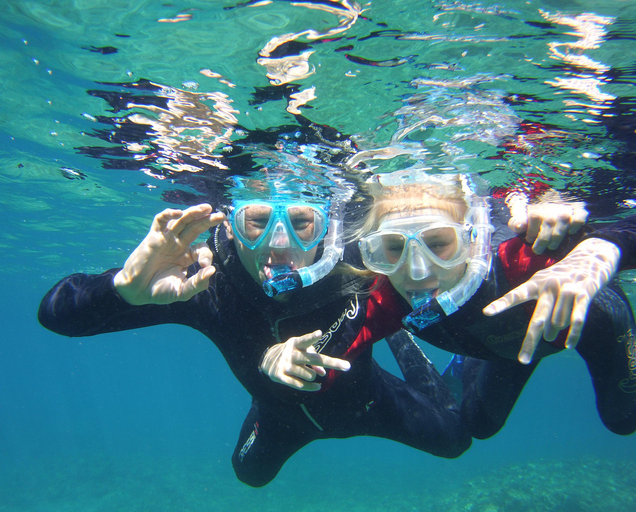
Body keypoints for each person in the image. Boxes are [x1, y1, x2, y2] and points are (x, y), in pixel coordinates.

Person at [38, 175, 470, 487]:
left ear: (327, 226)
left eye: (302, 223)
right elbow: (55, 314)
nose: (279, 245)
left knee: (456, 438)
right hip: (280, 418)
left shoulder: (357, 265)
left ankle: (401, 337)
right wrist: (123, 291)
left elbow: (451, 258)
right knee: (249, 474)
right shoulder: (202, 282)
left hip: (372, 400)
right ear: (229, 225)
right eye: (258, 221)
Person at [343, 170, 636, 440]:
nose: (417, 270)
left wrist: (599, 248)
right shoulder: (389, 297)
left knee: (623, 422)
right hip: (507, 346)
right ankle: (466, 361)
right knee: (479, 425)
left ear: (472, 241)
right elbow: (331, 357)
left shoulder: (521, 259)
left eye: (439, 244)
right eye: (394, 248)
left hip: (599, 326)